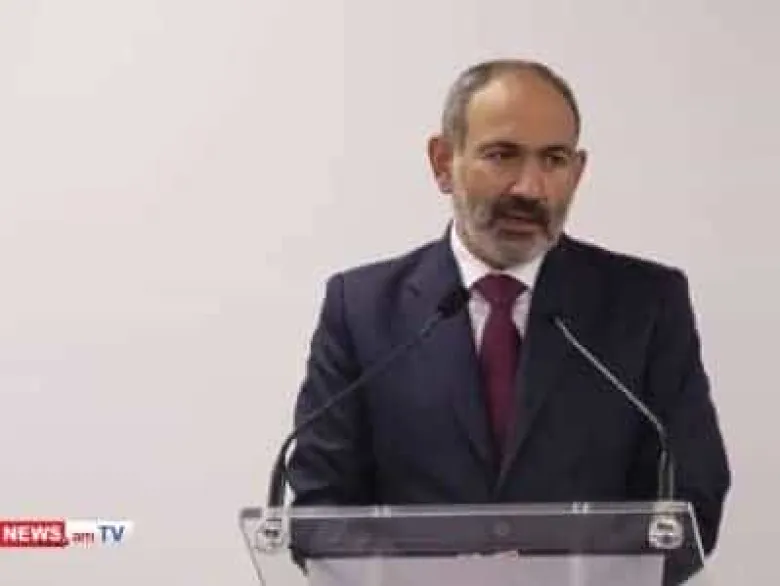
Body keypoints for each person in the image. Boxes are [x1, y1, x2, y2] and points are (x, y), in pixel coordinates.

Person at [285, 59, 731, 568]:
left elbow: (689, 501)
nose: (530, 188)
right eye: (502, 156)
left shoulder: (646, 304)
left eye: (554, 160)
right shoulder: (361, 308)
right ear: (442, 161)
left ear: (578, 171)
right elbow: (322, 509)